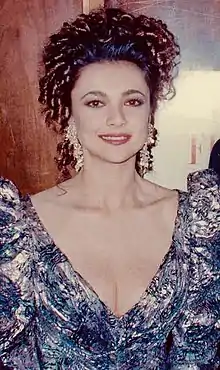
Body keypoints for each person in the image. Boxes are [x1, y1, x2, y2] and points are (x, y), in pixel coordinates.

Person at [0, 7, 219, 369]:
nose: (116, 118)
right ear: (70, 113)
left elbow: (197, 357)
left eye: (132, 101)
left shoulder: (197, 221)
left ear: (150, 112)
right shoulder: (19, 228)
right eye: (95, 102)